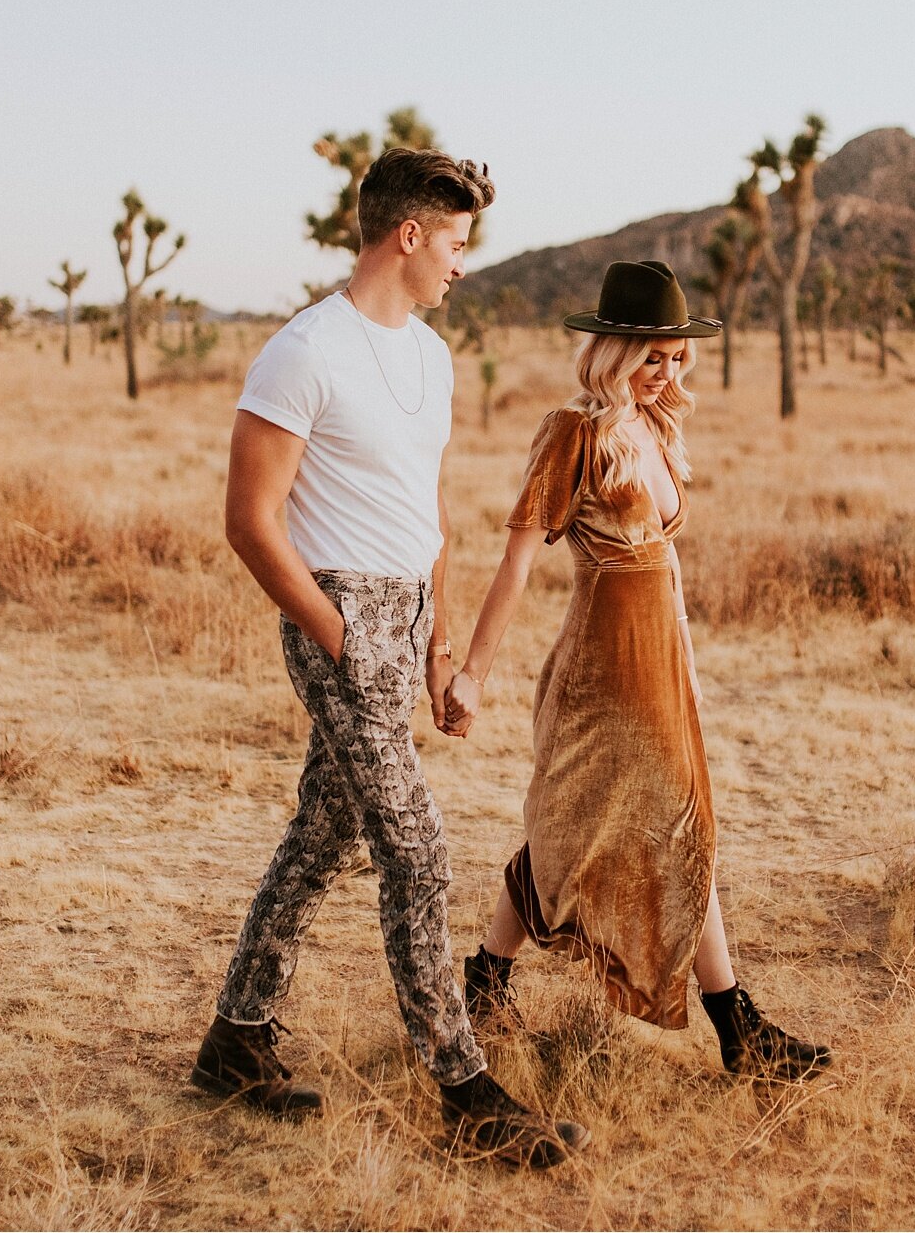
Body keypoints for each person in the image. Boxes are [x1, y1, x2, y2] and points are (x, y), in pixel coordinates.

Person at [193, 148, 587, 1168]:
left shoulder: (430, 356)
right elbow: (248, 519)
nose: (462, 262)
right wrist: (337, 636)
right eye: (454, 241)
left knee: (324, 831)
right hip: (338, 620)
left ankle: (235, 1039)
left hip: (404, 619)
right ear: (407, 235)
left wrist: (436, 643)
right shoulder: (303, 351)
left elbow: (426, 511)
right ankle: (462, 1088)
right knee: (414, 850)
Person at [442, 260, 832, 1083]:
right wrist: (474, 672)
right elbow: (516, 562)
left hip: (660, 658)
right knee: (635, 825)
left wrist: (684, 659)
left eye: (677, 356)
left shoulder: (655, 430)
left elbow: (666, 565)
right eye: (653, 356)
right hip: (602, 668)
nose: (669, 371)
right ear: (613, 353)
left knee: (611, 823)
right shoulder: (572, 433)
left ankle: (486, 978)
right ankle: (740, 1030)